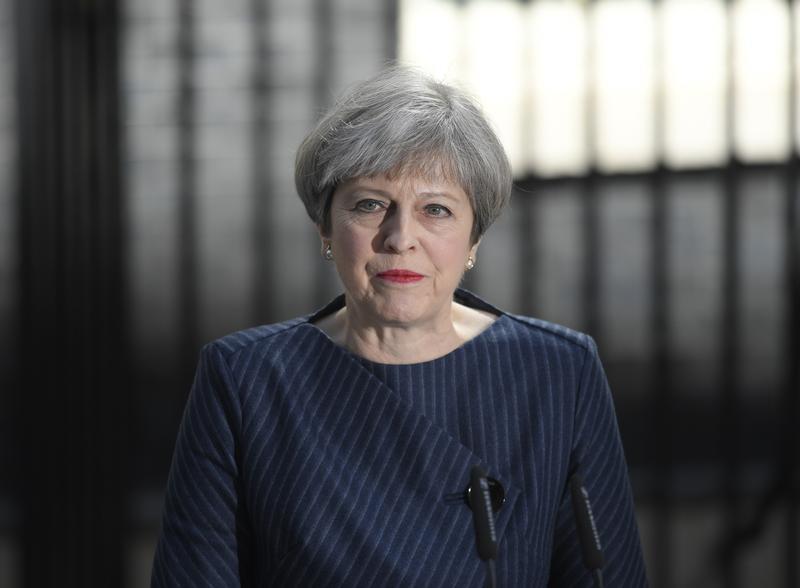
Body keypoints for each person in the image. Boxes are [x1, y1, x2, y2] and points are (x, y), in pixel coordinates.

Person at [151, 66, 648, 587]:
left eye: (436, 209)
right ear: (325, 227)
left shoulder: (559, 371)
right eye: (370, 205)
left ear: (474, 238)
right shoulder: (244, 378)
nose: (401, 237)